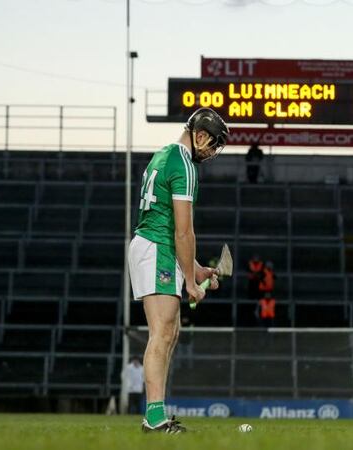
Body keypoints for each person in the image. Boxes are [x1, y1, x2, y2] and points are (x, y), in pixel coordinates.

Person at [128, 107, 228, 434]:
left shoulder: (164, 155)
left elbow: (169, 224)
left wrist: (196, 270)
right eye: (212, 144)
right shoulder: (184, 164)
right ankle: (154, 418)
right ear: (200, 135)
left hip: (158, 248)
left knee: (169, 332)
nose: (212, 152)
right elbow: (183, 232)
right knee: (163, 331)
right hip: (157, 248)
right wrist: (190, 283)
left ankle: (156, 414)